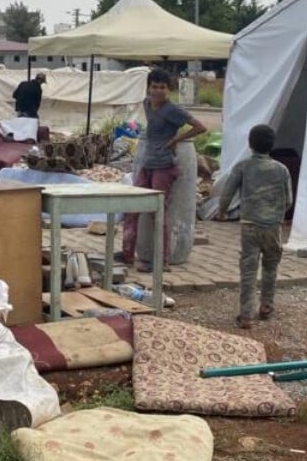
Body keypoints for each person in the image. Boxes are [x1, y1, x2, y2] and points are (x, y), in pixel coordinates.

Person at [120, 69, 207, 273]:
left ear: (169, 90)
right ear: (149, 87)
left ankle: (163, 260)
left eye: (162, 88)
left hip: (164, 166)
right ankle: (127, 254)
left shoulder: (173, 110)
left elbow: (200, 127)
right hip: (147, 162)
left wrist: (176, 139)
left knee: (158, 213)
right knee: (132, 208)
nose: (158, 91)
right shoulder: (147, 103)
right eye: (154, 87)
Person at [214, 124, 292, 329]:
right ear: (272, 145)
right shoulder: (281, 169)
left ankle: (246, 314)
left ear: (250, 144)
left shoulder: (242, 167)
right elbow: (288, 200)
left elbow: (227, 193)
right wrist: (277, 213)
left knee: (248, 269)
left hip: (249, 225)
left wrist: (222, 212)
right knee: (270, 267)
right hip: (273, 227)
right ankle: (266, 306)